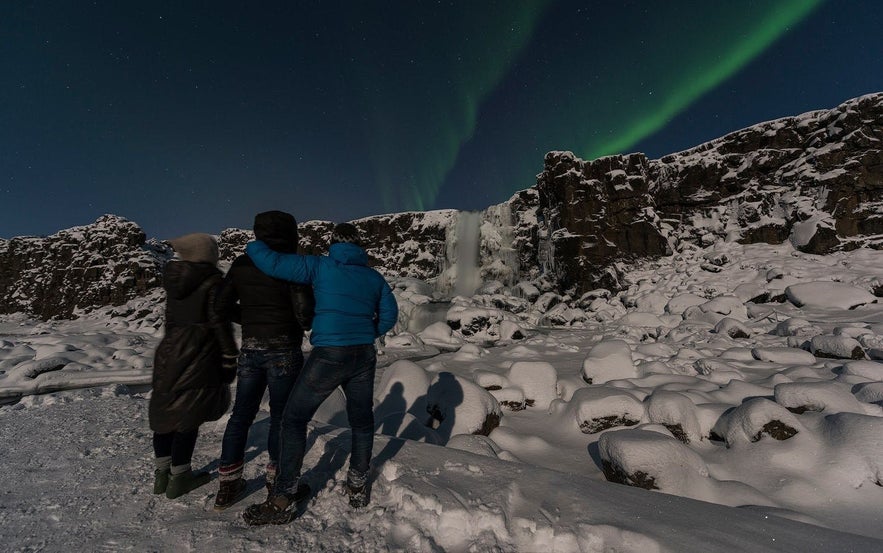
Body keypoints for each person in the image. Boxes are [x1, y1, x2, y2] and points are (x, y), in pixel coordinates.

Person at [241, 222, 398, 525]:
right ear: (358, 245)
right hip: (363, 354)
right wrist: (367, 331)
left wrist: (254, 244)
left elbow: (273, 264)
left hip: (329, 354)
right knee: (362, 421)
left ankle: (284, 496)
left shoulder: (319, 266)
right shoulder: (373, 277)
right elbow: (390, 314)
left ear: (333, 243)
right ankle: (357, 484)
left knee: (293, 418)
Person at [212, 211, 315, 511]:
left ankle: (227, 485)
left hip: (252, 347)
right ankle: (276, 481)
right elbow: (305, 316)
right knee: (281, 417)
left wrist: (248, 319)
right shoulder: (290, 264)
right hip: (284, 347)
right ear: (290, 233)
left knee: (241, 414)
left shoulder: (243, 263)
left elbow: (220, 305)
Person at [149, 233, 238, 499]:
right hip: (200, 350)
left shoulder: (174, 281)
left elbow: (169, 320)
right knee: (188, 414)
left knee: (165, 411)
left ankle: (161, 475)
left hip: (169, 349)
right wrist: (229, 356)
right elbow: (218, 322)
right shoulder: (213, 281)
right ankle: (180, 478)